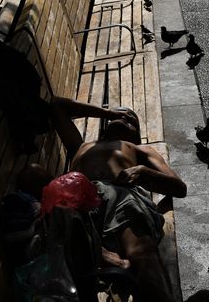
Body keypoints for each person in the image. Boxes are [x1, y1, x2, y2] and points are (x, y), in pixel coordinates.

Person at [50, 97, 191, 302]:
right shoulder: (80, 146)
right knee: (35, 177)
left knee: (142, 253)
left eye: (130, 119)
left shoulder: (138, 149)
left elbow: (180, 188)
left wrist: (143, 171)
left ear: (136, 135)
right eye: (120, 114)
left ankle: (108, 257)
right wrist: (107, 113)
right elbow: (56, 106)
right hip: (79, 194)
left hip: (121, 196)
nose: (124, 117)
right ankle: (103, 254)